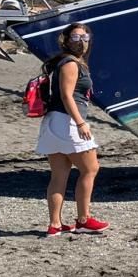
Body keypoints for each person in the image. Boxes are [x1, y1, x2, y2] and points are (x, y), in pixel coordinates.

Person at [36, 23, 109, 236]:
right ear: (66, 40)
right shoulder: (70, 64)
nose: (82, 41)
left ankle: (55, 225)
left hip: (53, 122)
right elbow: (68, 96)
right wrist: (80, 122)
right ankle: (83, 219)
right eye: (76, 37)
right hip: (68, 122)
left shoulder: (66, 62)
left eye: (85, 37)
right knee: (90, 169)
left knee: (59, 175)